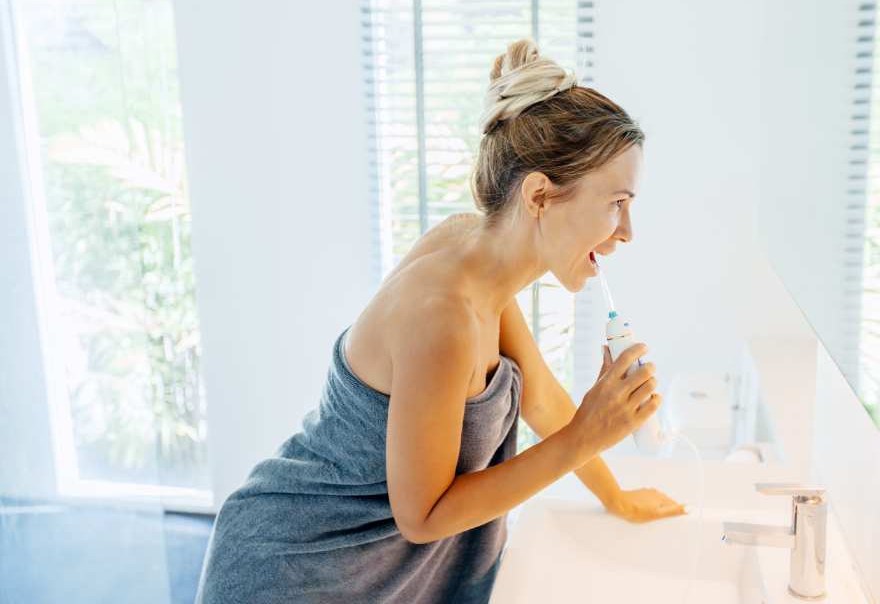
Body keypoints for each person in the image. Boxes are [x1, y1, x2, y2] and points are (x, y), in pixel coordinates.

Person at [194, 36, 685, 604]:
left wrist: (615, 495)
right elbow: (423, 517)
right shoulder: (444, 317)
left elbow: (542, 400)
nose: (627, 231)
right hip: (294, 571)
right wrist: (584, 437)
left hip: (360, 570)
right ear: (540, 196)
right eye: (617, 203)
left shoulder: (479, 260)